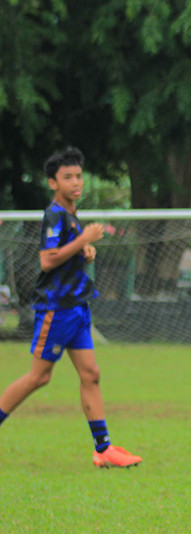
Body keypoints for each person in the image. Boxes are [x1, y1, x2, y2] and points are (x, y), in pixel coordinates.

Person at [0, 147, 141, 468]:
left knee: (91, 374)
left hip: (77, 307)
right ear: (53, 183)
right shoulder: (54, 214)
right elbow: (47, 260)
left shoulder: (70, 215)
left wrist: (84, 251)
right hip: (57, 309)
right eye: (67, 177)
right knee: (39, 377)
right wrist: (84, 240)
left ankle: (103, 449)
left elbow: (64, 253)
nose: (76, 182)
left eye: (78, 176)